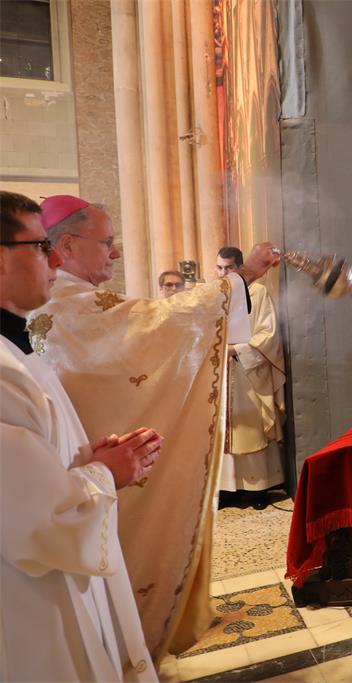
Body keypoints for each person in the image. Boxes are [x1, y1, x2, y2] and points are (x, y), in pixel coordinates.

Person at [28, 194, 280, 657]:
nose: (115, 252)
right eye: (106, 242)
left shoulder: (60, 300)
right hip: (78, 475)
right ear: (67, 244)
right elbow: (155, 322)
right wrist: (242, 277)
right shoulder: (65, 302)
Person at [1, 191, 163, 681]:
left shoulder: (14, 349)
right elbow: (37, 521)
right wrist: (103, 475)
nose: (54, 260)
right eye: (39, 246)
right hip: (29, 600)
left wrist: (85, 459)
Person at [215, 246, 286, 509]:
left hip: (248, 370)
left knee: (251, 426)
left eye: (229, 268)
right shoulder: (216, 294)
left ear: (240, 267)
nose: (223, 273)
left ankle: (258, 488)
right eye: (219, 268)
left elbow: (268, 334)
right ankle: (227, 489)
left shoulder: (257, 292)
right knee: (224, 428)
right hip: (220, 372)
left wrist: (236, 350)